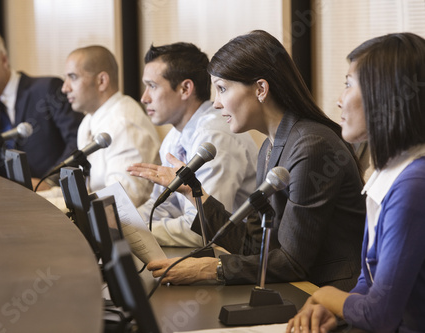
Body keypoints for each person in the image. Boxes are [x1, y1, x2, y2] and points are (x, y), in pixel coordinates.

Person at [146, 30, 366, 291]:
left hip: (326, 296)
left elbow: (293, 261)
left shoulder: (312, 146)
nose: (215, 103)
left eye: (222, 89)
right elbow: (254, 246)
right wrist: (195, 193)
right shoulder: (269, 147)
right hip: (296, 289)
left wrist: (210, 268)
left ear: (260, 89)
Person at [287, 32, 425, 333]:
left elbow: (380, 314)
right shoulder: (388, 172)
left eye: (349, 84)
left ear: (383, 94)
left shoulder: (414, 184)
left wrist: (324, 295)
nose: (339, 100)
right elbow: (369, 281)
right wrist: (339, 309)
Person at [127, 42, 259, 247]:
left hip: (240, 255)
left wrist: (132, 230)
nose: (144, 98)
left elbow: (205, 230)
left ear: (185, 88)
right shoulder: (174, 137)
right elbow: (162, 206)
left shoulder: (214, 137)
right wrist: (124, 223)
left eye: (152, 86)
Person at [0, 31, 83, 182]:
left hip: (54, 195)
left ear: (4, 60)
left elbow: (78, 140)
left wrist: (51, 182)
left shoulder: (47, 89)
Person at [61, 45, 160, 207]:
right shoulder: (89, 120)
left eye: (73, 77)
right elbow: (85, 191)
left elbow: (121, 201)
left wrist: (56, 205)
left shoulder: (124, 123)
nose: (65, 88)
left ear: (101, 81)